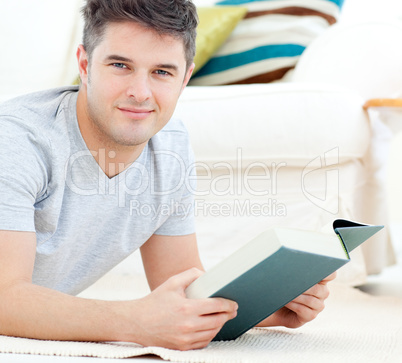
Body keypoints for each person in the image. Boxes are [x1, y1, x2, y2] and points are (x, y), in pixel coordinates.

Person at [0, 0, 335, 351]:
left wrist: (272, 305)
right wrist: (133, 322)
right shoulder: (17, 140)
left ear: (185, 77)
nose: (140, 93)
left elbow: (182, 283)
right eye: (120, 65)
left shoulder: (169, 144)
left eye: (162, 72)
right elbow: (5, 298)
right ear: (85, 65)